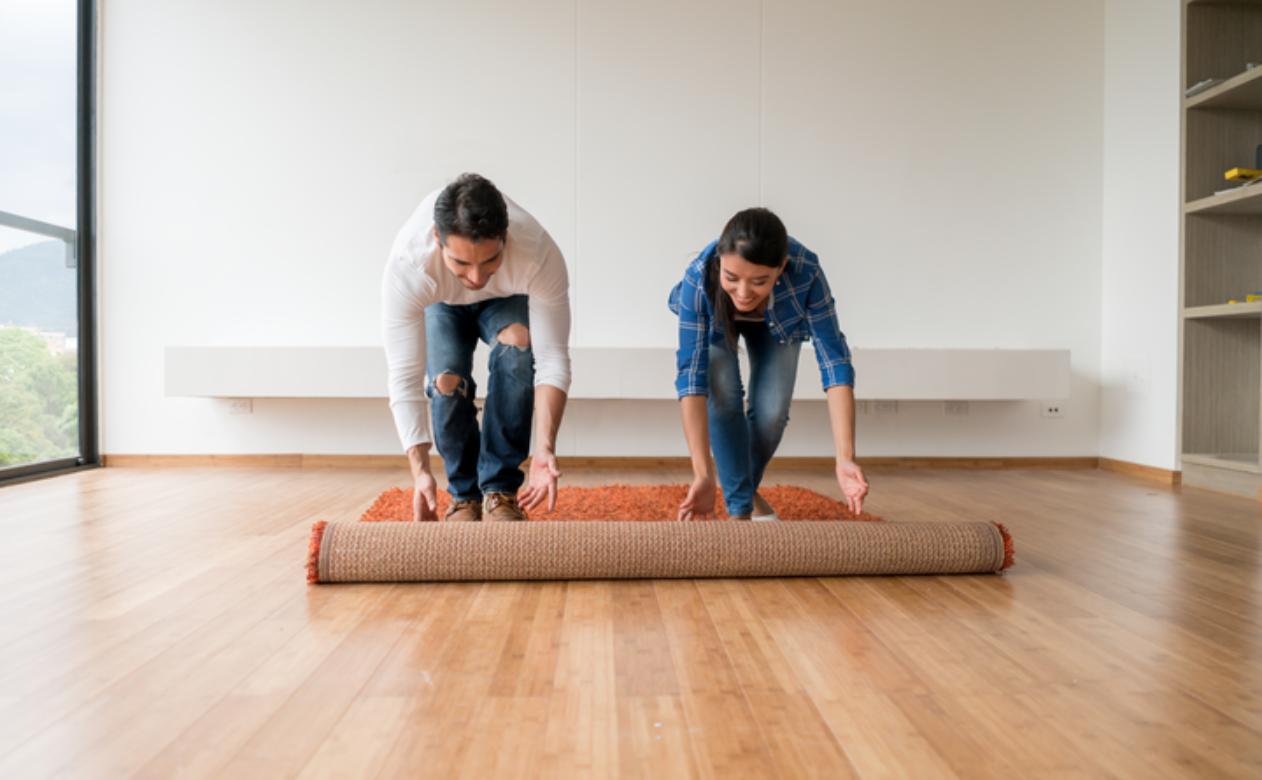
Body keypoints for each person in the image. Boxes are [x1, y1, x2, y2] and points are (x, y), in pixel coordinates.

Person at [382, 173, 570, 522]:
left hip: (506, 297)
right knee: (445, 380)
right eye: (461, 263)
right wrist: (420, 471)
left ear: (505, 238)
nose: (476, 278)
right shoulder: (410, 264)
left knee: (518, 345)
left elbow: (552, 359)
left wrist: (545, 449)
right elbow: (404, 376)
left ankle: (500, 491)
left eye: (489, 261)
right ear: (437, 239)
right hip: (441, 301)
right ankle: (464, 496)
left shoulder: (537, 253)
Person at [669, 207, 868, 521]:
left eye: (759, 281)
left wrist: (845, 458)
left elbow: (835, 362)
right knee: (724, 399)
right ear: (720, 263)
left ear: (781, 268)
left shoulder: (806, 271)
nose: (744, 293)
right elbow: (691, 377)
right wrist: (702, 474)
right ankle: (741, 510)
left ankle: (741, 494)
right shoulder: (699, 275)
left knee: (772, 414)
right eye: (732, 278)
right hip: (716, 323)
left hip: (779, 324)